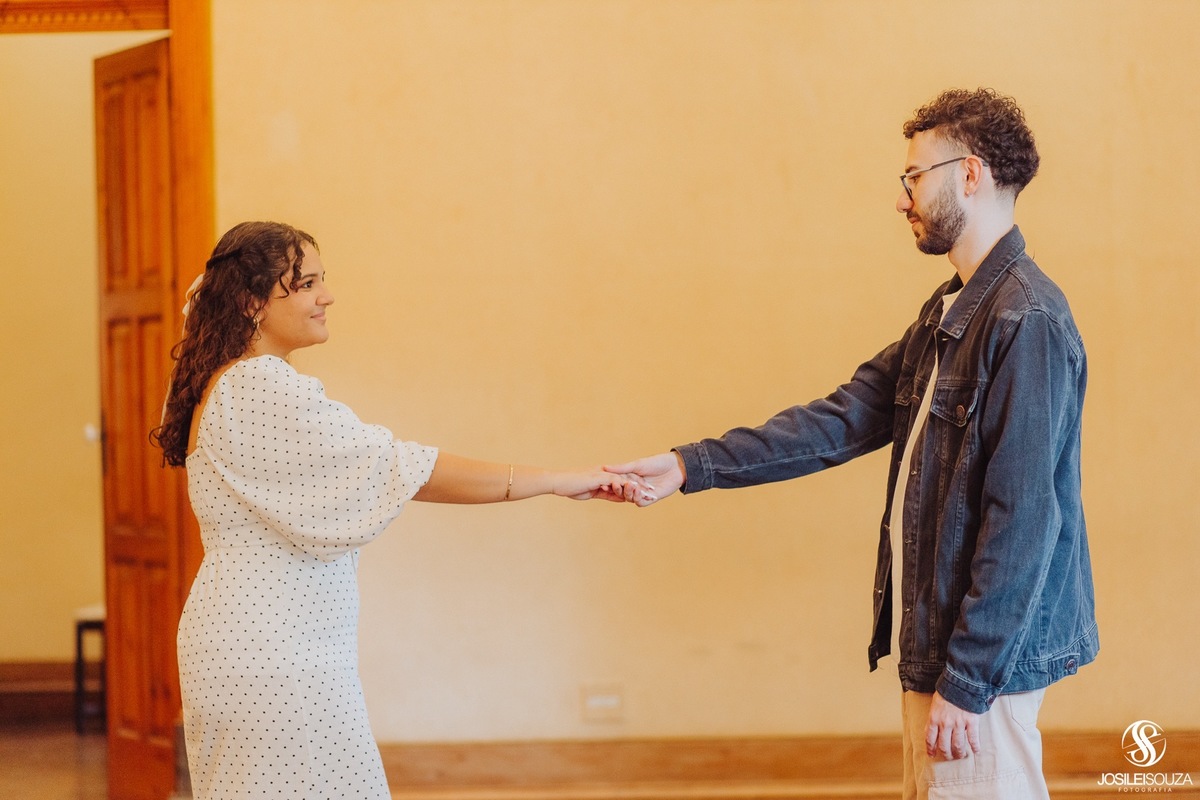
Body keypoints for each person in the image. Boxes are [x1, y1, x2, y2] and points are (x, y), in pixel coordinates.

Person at [608, 89, 1098, 799]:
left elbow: (1024, 519)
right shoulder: (948, 310)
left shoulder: (1027, 319)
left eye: (913, 177)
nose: (902, 199)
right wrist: (690, 466)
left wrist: (967, 679)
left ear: (970, 174)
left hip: (977, 675)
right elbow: (839, 419)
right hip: (939, 657)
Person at [151, 220, 636, 799]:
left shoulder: (229, 382)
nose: (326, 296)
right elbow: (406, 467)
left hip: (262, 644)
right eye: (305, 284)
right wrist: (556, 480)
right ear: (252, 301)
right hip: (273, 654)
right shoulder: (258, 385)